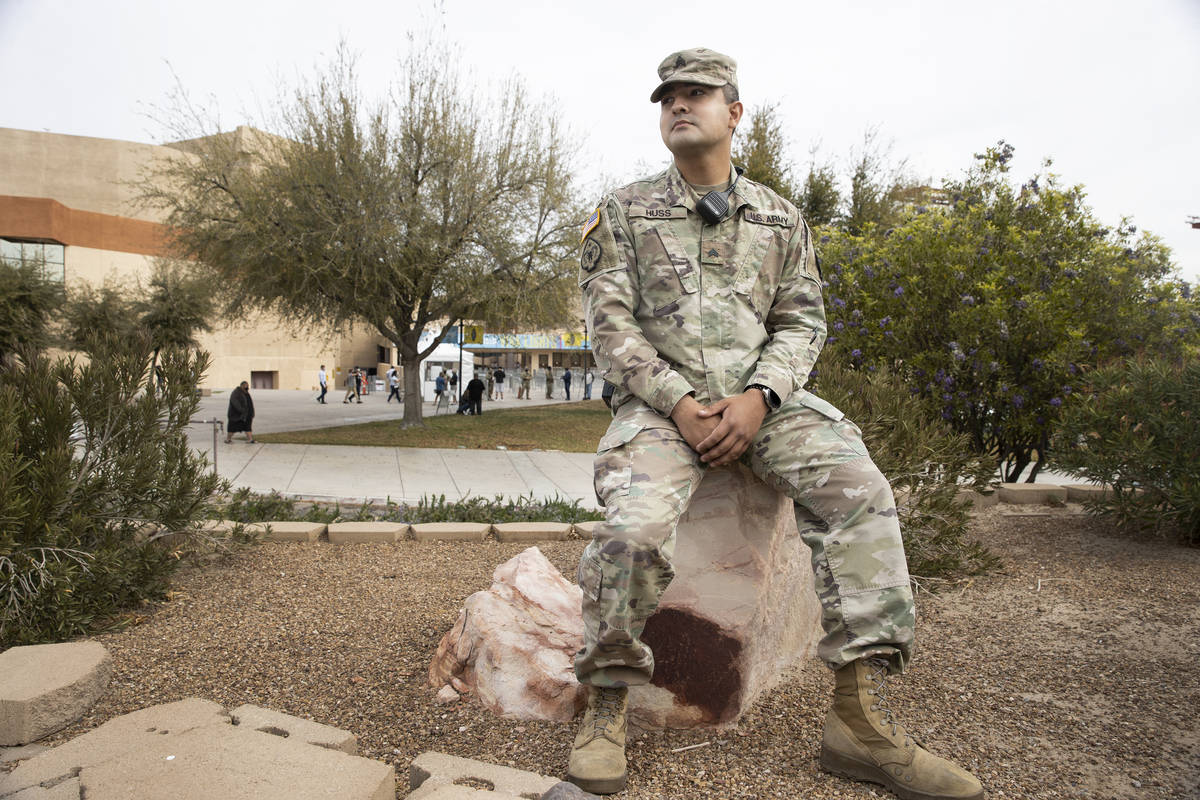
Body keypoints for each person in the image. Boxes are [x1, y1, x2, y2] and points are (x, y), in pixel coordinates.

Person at [566, 48, 983, 800]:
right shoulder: (623, 211)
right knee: (630, 532)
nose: (679, 106)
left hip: (765, 406)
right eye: (668, 97)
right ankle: (606, 702)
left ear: (736, 112)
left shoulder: (781, 216)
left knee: (861, 490)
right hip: (663, 411)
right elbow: (609, 329)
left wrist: (761, 396)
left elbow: (802, 321)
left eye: (698, 94)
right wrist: (681, 404)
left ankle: (858, 722)